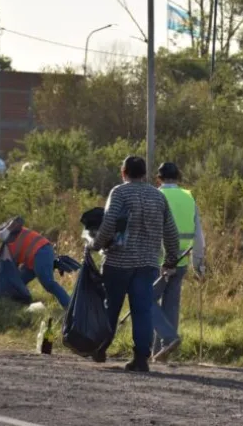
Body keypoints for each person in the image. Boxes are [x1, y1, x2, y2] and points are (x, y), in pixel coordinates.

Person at [89, 156, 179, 372]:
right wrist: (170, 258)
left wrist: (96, 244)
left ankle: (101, 348)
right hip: (147, 263)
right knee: (142, 310)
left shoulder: (119, 192)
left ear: (124, 172)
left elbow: (109, 222)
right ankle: (141, 358)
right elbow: (170, 231)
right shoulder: (158, 197)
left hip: (119, 262)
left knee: (111, 306)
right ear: (145, 174)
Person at [151, 162, 206, 362]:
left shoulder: (156, 195)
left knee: (147, 301)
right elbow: (199, 234)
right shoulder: (188, 197)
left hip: (158, 260)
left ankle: (161, 343)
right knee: (171, 305)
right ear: (178, 178)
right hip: (181, 260)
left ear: (159, 178)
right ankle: (163, 349)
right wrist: (199, 263)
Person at [0, 217, 70, 308]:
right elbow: (12, 268)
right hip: (30, 261)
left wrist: (5, 231)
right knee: (17, 283)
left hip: (41, 251)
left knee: (48, 283)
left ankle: (70, 307)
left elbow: (19, 219)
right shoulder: (3, 249)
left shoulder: (9, 232)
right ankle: (18, 307)